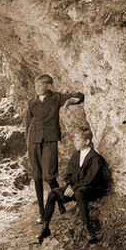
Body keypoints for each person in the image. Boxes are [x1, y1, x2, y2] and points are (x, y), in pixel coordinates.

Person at [25, 74, 84, 225]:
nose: (37, 88)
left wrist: (69, 101)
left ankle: (61, 204)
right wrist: (28, 143)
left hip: (50, 140)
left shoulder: (57, 97)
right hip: (33, 141)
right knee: (36, 176)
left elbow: (79, 96)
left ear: (49, 86)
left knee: (50, 175)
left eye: (40, 85)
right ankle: (41, 212)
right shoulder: (31, 102)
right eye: (36, 85)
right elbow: (27, 124)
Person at [37, 126, 106, 244]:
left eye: (77, 140)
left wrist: (73, 188)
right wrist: (69, 185)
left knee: (79, 192)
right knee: (53, 194)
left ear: (87, 141)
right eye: (74, 139)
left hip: (91, 189)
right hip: (76, 188)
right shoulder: (76, 156)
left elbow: (89, 180)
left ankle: (87, 228)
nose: (75, 142)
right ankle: (45, 227)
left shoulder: (95, 158)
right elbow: (68, 174)